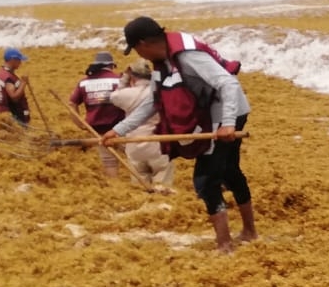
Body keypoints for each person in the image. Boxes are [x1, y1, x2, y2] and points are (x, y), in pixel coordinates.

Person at [103, 16, 255, 252]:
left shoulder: (187, 55)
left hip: (227, 112)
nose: (140, 56)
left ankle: (225, 245)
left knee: (206, 180)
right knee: (229, 171)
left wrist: (227, 124)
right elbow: (153, 102)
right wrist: (118, 130)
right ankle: (249, 233)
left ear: (143, 44)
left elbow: (228, 84)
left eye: (136, 49)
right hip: (219, 114)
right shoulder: (162, 62)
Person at [108, 60, 175, 190]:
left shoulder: (125, 94)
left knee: (140, 186)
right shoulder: (158, 92)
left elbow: (114, 96)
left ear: (132, 76)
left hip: (134, 143)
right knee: (162, 183)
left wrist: (124, 79)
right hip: (158, 142)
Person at [69, 50, 124, 177]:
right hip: (120, 126)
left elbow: (72, 104)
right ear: (111, 66)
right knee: (134, 156)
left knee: (109, 161)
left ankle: (115, 187)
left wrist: (80, 124)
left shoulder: (83, 82)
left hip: (97, 128)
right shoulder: (119, 80)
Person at [0, 48, 31, 124]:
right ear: (12, 60)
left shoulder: (2, 73)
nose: (20, 63)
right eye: (19, 60)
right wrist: (23, 83)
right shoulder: (7, 77)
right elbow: (14, 97)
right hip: (6, 115)